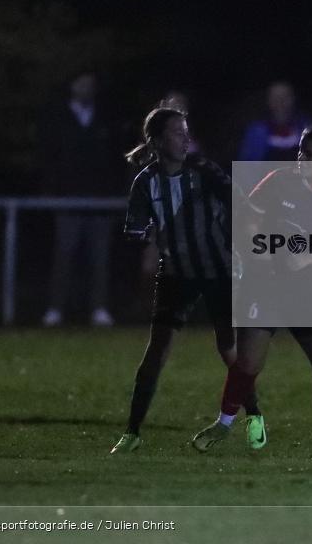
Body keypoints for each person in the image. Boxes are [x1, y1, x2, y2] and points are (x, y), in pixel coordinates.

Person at [191, 123, 312, 457]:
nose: (301, 158)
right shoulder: (279, 182)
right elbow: (248, 223)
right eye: (300, 151)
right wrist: (258, 251)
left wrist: (306, 259)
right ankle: (224, 423)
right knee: (248, 364)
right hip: (267, 287)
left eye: (310, 154)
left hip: (307, 290)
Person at [110, 106, 240, 454]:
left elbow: (237, 202)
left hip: (217, 269)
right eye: (177, 133)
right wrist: (152, 235)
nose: (186, 139)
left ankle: (254, 413)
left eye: (187, 131)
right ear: (156, 141)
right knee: (157, 350)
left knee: (229, 348)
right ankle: (132, 431)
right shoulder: (146, 182)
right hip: (176, 273)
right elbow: (135, 231)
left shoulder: (203, 170)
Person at [40, 71, 120, 327]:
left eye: (91, 84)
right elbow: (50, 157)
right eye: (82, 83)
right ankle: (55, 309)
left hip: (99, 199)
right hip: (68, 197)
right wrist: (52, 192)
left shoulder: (105, 118)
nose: (87, 88)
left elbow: (115, 158)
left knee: (99, 257)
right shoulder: (58, 117)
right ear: (72, 86)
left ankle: (98, 308)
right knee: (64, 254)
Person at [236, 81, 310, 162]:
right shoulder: (256, 132)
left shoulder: (307, 128)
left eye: (285, 97)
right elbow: (246, 166)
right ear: (268, 101)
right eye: (275, 98)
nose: (280, 102)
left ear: (293, 99)